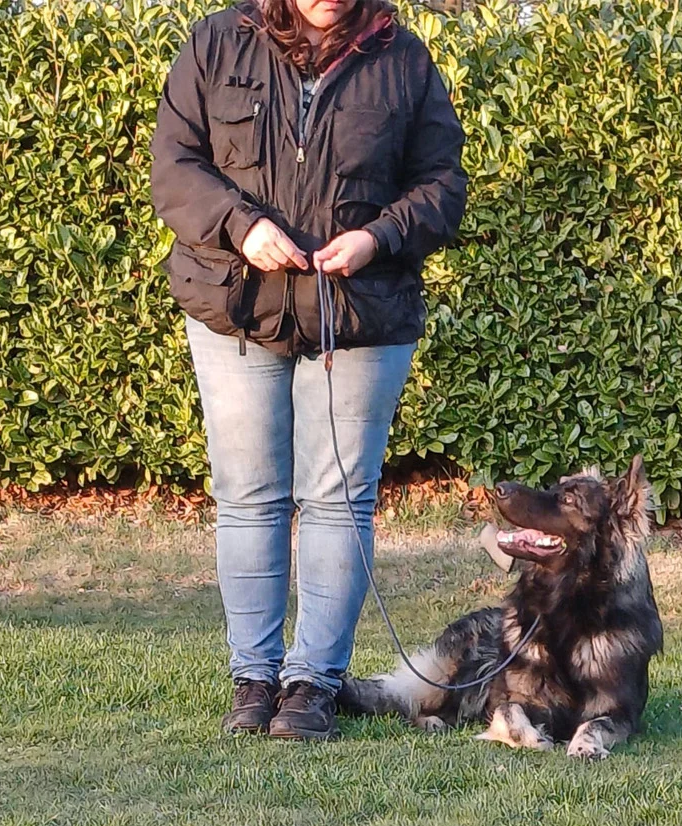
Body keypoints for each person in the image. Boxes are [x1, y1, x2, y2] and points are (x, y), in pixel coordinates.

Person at [151, 0, 466, 740]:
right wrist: (241, 225)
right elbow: (176, 166)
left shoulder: (405, 60)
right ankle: (254, 681)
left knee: (339, 500)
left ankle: (313, 686)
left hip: (360, 312)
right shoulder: (216, 43)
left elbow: (442, 186)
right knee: (248, 496)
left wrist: (380, 238)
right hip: (236, 305)